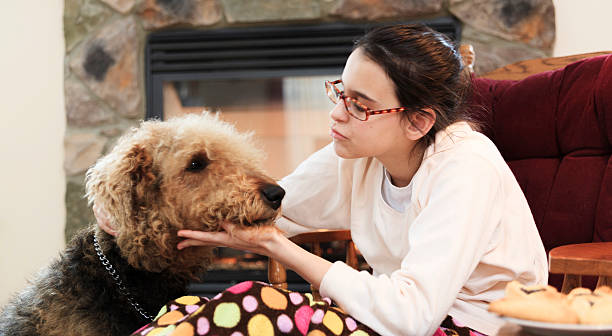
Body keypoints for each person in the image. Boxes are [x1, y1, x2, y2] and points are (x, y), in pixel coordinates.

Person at [98, 24, 548, 336]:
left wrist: (279, 248)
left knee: (247, 308)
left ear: (418, 121)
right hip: (387, 323)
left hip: (474, 329)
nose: (337, 113)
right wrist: (123, 206)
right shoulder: (359, 154)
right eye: (340, 92)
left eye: (361, 104)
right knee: (187, 309)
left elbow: (412, 316)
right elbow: (275, 207)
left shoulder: (465, 166)